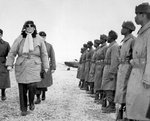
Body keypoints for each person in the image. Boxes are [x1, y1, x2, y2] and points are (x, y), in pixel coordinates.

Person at [6, 20, 49, 116]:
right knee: (22, 88)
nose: (29, 28)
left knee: (32, 86)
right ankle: (23, 108)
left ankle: (31, 101)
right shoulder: (19, 38)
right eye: (27, 26)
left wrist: (46, 66)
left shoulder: (39, 39)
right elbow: (12, 52)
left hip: (34, 65)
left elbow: (44, 54)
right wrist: (9, 64)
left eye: (31, 26)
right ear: (24, 28)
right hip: (22, 65)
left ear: (34, 28)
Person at [126, 3, 150, 121]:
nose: (135, 17)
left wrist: (148, 78)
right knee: (135, 105)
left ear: (144, 15)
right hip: (137, 73)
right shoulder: (142, 33)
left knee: (141, 109)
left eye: (137, 14)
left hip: (143, 77)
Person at [114, 21, 136, 121]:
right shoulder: (125, 41)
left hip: (128, 69)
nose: (121, 29)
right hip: (122, 68)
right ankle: (120, 115)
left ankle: (126, 116)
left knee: (125, 92)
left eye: (123, 27)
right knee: (120, 92)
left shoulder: (132, 40)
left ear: (128, 29)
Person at [101, 30, 120, 113]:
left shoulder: (115, 46)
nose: (107, 38)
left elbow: (114, 60)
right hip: (107, 67)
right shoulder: (111, 46)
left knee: (110, 88)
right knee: (106, 87)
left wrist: (112, 72)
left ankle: (112, 106)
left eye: (108, 36)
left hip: (110, 69)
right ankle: (109, 104)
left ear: (111, 37)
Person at [35, 31, 56, 104]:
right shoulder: (35, 45)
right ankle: (38, 97)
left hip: (45, 66)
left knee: (44, 82)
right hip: (37, 66)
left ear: (45, 37)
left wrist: (53, 67)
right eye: (41, 37)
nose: (42, 38)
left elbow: (52, 57)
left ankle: (43, 93)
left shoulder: (49, 46)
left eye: (44, 37)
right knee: (37, 82)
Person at [94, 34, 108, 104]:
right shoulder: (101, 47)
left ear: (104, 39)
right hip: (98, 66)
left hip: (102, 66)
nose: (100, 40)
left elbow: (106, 57)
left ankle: (101, 98)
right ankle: (97, 96)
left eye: (101, 39)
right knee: (97, 81)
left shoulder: (105, 47)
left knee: (101, 82)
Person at [0, 29, 10, 101]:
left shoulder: (6, 44)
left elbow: (10, 55)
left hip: (2, 63)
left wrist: (9, 64)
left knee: (3, 79)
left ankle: (3, 93)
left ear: (1, 35)